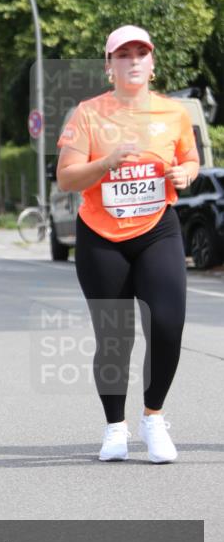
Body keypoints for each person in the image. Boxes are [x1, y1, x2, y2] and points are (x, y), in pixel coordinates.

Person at [56, 25, 199, 464]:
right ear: (109, 65)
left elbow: (190, 159)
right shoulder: (87, 113)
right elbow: (67, 177)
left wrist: (185, 174)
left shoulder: (173, 113)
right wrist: (107, 162)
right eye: (124, 54)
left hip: (158, 228)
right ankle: (114, 427)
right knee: (114, 338)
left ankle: (153, 417)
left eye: (141, 53)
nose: (133, 60)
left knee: (168, 324)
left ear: (152, 64)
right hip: (102, 236)